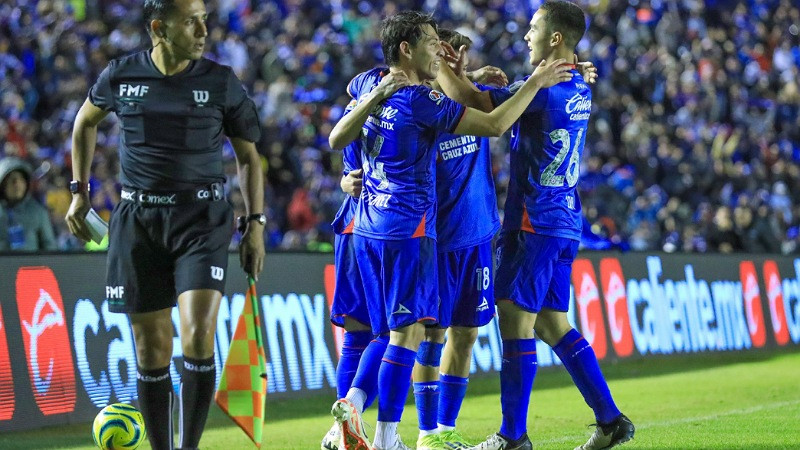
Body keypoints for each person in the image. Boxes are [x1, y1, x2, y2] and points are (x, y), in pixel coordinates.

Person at [327, 10, 573, 450]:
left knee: (417, 333)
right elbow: (496, 124)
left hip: (400, 228)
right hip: (416, 231)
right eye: (435, 47)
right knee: (412, 334)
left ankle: (395, 422)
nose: (444, 56)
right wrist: (535, 81)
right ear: (411, 50)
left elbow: (340, 128)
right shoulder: (428, 105)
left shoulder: (374, 85)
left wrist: (468, 75)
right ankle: (390, 430)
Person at [65, 1, 265, 449]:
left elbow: (248, 156)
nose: (202, 30)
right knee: (151, 351)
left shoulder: (220, 81)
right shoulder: (121, 75)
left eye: (205, 19)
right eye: (191, 21)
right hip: (138, 222)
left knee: (198, 332)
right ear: (159, 27)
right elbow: (84, 123)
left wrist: (255, 223)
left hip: (202, 220)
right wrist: (80, 191)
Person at [435, 2, 634, 449]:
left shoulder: (544, 88)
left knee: (514, 320)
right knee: (551, 323)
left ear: (555, 38)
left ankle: (512, 436)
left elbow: (476, 106)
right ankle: (610, 420)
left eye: (533, 28)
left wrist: (445, 69)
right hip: (564, 220)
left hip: (533, 222)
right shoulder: (579, 84)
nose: (526, 36)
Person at [411, 28, 505, 450]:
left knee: (466, 334)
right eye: (453, 54)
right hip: (439, 241)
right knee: (433, 334)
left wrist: (576, 68)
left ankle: (445, 428)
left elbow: (525, 97)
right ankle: (427, 431)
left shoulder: (478, 96)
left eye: (465, 55)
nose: (461, 61)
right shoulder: (423, 109)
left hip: (479, 235)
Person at [322, 73, 408, 450]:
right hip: (380, 229)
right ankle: (357, 410)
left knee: (356, 333)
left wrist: (344, 180)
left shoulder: (354, 111)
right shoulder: (395, 113)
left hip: (349, 225)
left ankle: (343, 432)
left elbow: (347, 169)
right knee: (393, 332)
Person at [0, 156, 57, 251]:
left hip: (30, 265)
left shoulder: (38, 212)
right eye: (12, 180)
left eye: (21, 179)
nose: (17, 184)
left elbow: (49, 248)